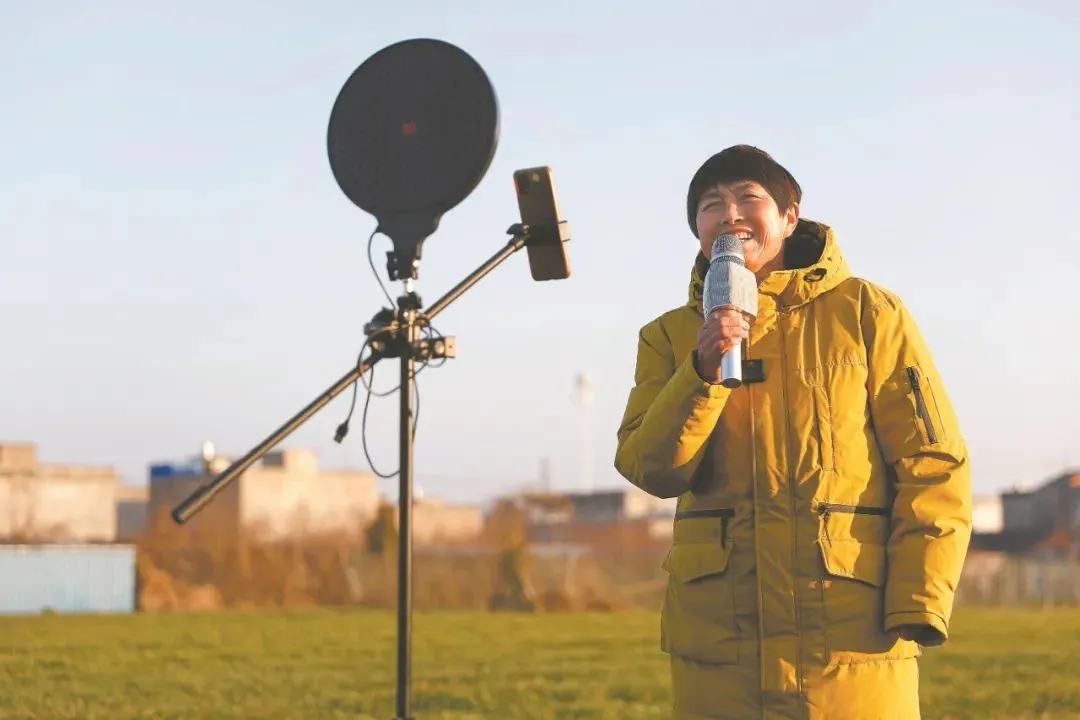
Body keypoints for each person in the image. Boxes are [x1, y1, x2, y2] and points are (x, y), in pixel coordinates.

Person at [613, 145, 972, 720]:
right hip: (721, 653)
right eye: (711, 205)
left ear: (788, 216)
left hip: (851, 643)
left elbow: (932, 462)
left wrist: (920, 597)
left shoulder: (868, 313)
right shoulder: (667, 337)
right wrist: (701, 371)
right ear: (698, 231)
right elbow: (650, 468)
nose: (730, 215)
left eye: (748, 198)